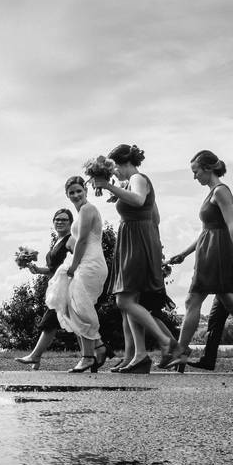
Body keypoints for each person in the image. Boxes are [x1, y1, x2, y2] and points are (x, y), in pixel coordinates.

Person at [164, 151, 233, 374]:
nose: (195, 177)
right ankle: (182, 351)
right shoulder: (211, 193)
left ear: (208, 168)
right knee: (199, 300)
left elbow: (232, 225)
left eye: (196, 171)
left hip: (219, 252)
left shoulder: (221, 192)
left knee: (227, 300)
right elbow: (204, 231)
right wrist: (184, 253)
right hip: (208, 250)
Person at [92, 144, 180, 374]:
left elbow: (140, 201)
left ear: (124, 163)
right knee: (129, 300)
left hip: (137, 240)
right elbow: (156, 216)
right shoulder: (131, 182)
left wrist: (110, 187)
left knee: (124, 301)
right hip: (137, 238)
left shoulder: (139, 178)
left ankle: (164, 341)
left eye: (115, 169)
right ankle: (139, 355)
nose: (115, 174)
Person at [168, 221, 233, 371]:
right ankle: (208, 359)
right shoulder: (221, 230)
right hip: (222, 282)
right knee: (215, 321)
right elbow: (204, 235)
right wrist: (184, 254)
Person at [45, 177, 109, 372]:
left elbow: (81, 242)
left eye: (78, 191)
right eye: (71, 192)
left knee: (80, 307)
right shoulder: (81, 213)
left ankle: (90, 354)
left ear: (85, 191)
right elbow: (74, 241)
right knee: (74, 307)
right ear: (67, 194)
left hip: (89, 264)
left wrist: (73, 265)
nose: (75, 195)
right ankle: (96, 347)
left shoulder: (88, 209)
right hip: (84, 262)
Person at [15, 208, 73, 369]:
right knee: (75, 322)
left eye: (64, 220)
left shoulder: (70, 240)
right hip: (56, 286)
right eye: (57, 219)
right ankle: (97, 352)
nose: (60, 222)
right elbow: (53, 268)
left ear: (71, 223)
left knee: (50, 321)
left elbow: (77, 262)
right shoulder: (58, 241)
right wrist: (38, 269)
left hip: (66, 287)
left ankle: (35, 356)